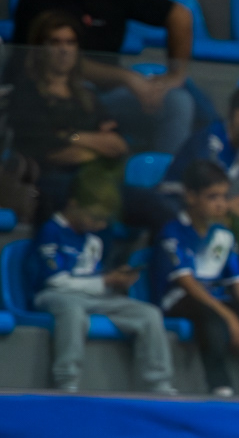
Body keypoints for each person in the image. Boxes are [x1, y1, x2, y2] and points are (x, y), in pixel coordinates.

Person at [12, 0, 195, 153]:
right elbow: (54, 65)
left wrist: (175, 76)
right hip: (57, 105)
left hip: (105, 99)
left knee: (181, 99)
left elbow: (180, 16)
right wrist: (127, 78)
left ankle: (175, 169)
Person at [8, 10, 171, 231]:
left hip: (98, 179)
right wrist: (93, 145)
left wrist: (71, 136)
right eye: (55, 42)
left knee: (156, 206)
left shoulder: (87, 96)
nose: (64, 49)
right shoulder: (27, 95)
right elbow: (46, 151)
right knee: (94, 204)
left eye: (70, 42)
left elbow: (118, 145)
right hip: (51, 182)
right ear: (39, 48)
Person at [26, 169, 175, 394]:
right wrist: (104, 281)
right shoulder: (51, 231)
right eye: (95, 217)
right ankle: (67, 382)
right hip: (54, 295)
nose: (101, 225)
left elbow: (92, 275)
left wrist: (115, 279)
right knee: (73, 313)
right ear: (74, 204)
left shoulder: (93, 239)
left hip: (93, 297)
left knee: (149, 314)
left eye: (105, 219)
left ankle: (158, 384)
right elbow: (55, 281)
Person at [153, 160, 239, 397]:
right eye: (212, 197)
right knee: (212, 320)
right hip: (180, 299)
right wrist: (231, 318)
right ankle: (220, 388)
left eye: (224, 196)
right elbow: (188, 283)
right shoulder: (173, 232)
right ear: (191, 197)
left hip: (215, 299)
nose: (221, 204)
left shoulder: (223, 235)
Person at [160, 84, 239, 246]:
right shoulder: (211, 141)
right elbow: (207, 191)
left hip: (215, 199)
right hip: (181, 199)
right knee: (233, 222)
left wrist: (233, 205)